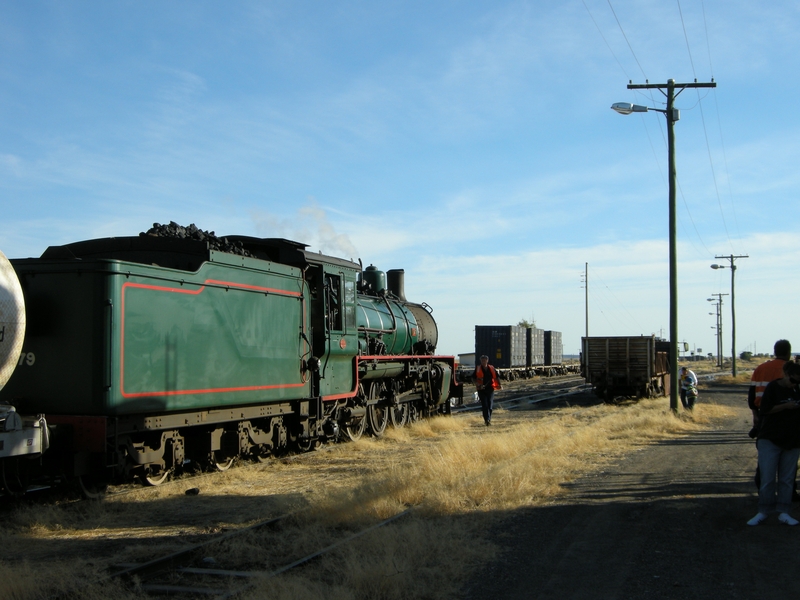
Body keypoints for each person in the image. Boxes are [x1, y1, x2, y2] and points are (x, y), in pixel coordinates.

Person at [747, 361, 800, 526]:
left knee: (787, 479)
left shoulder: (798, 389)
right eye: (793, 380)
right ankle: (763, 511)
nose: (795, 384)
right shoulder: (773, 387)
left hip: (792, 440)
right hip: (770, 438)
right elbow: (765, 409)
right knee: (768, 478)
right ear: (785, 374)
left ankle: (784, 512)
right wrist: (786, 406)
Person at [748, 340, 792, 432]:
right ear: (789, 352)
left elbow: (752, 393)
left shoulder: (760, 368)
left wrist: (755, 414)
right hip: (787, 413)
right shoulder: (791, 370)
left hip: (764, 414)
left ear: (775, 352)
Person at [474, 355, 501, 426]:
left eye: (484, 360)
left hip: (490, 389)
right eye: (482, 360)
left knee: (490, 406)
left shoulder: (491, 368)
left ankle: (489, 418)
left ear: (487, 361)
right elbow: (473, 378)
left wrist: (499, 384)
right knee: (485, 405)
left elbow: (497, 377)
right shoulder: (478, 368)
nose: (483, 362)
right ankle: (487, 420)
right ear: (481, 361)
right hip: (481, 389)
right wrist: (477, 384)